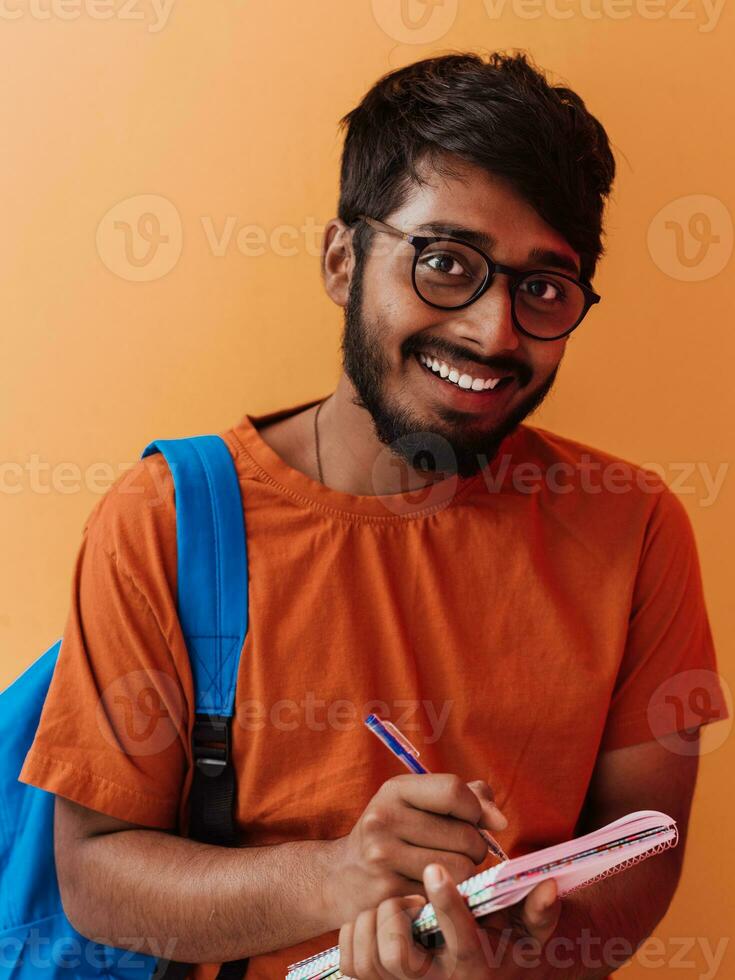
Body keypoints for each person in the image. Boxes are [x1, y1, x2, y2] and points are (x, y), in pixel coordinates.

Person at [20, 52, 728, 979]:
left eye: (542, 288)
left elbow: (646, 841)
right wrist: (338, 876)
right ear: (342, 259)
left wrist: (511, 962)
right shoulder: (167, 519)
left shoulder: (635, 527)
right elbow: (96, 874)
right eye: (443, 263)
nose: (492, 332)